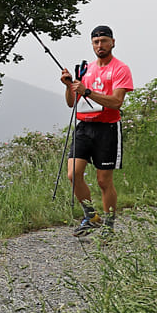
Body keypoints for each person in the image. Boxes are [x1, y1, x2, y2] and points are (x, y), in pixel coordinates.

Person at [60, 25, 133, 235]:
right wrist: (68, 86)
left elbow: (117, 102)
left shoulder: (120, 69)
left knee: (103, 181)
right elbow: (71, 103)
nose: (100, 45)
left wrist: (88, 91)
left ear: (112, 42)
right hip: (84, 127)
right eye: (96, 42)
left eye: (103, 41)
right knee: (73, 174)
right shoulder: (86, 69)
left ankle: (109, 226)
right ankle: (91, 216)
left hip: (107, 128)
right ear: (92, 44)